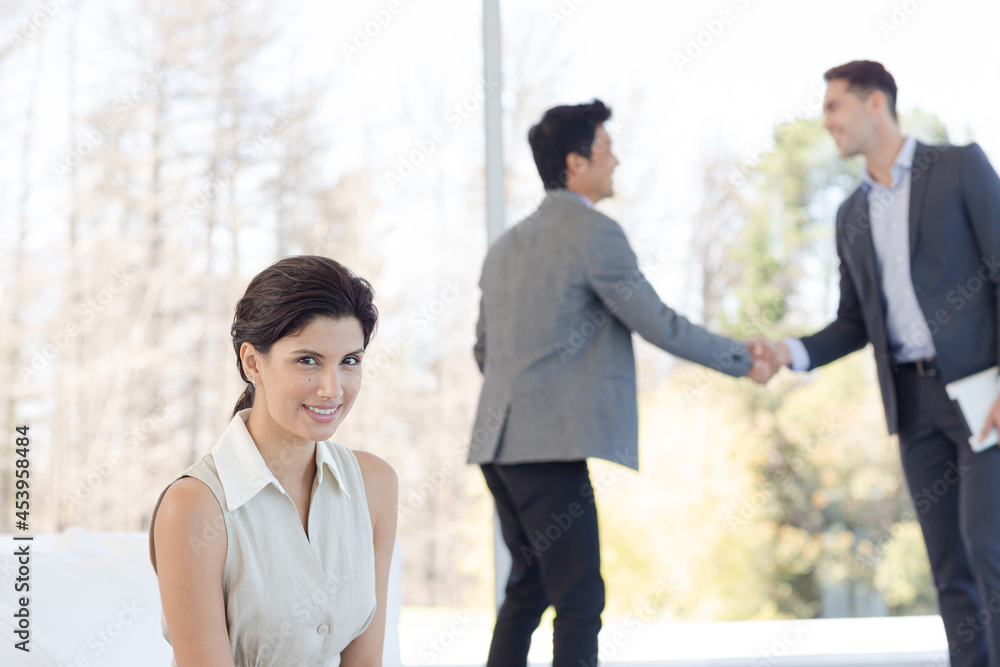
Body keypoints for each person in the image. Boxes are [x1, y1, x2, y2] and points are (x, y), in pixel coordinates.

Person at [468, 99, 772, 667]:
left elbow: (483, 349)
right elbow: (659, 323)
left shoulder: (504, 246)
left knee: (529, 588)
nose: (619, 161)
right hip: (548, 449)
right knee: (580, 598)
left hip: (497, 445)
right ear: (576, 163)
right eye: (607, 149)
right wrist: (742, 358)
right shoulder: (594, 234)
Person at [751, 60, 1000, 666]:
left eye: (834, 106)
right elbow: (854, 323)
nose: (826, 121)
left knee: (987, 548)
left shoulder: (960, 166)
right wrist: (790, 352)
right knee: (948, 563)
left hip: (983, 391)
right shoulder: (850, 216)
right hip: (912, 405)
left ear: (875, 103)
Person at [148, 255, 398, 667]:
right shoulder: (193, 508)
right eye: (307, 360)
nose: (332, 389)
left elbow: (366, 661)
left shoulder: (374, 484)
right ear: (252, 362)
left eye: (349, 361)